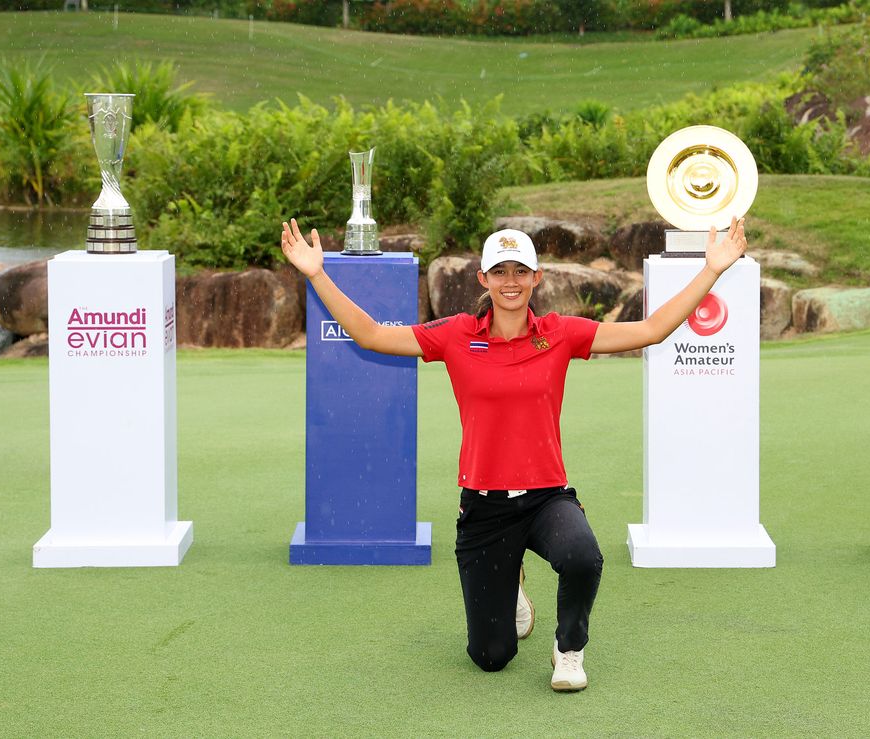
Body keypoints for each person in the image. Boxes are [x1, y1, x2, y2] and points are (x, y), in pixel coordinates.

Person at [280, 216, 748, 692]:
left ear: (536, 277)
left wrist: (711, 270)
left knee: (583, 556)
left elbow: (651, 330)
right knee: (491, 656)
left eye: (520, 271)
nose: (510, 281)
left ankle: (569, 651)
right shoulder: (456, 334)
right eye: (499, 272)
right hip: (484, 507)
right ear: (482, 279)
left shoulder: (560, 332)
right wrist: (317, 273)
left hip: (547, 496)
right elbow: (373, 336)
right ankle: (514, 588)